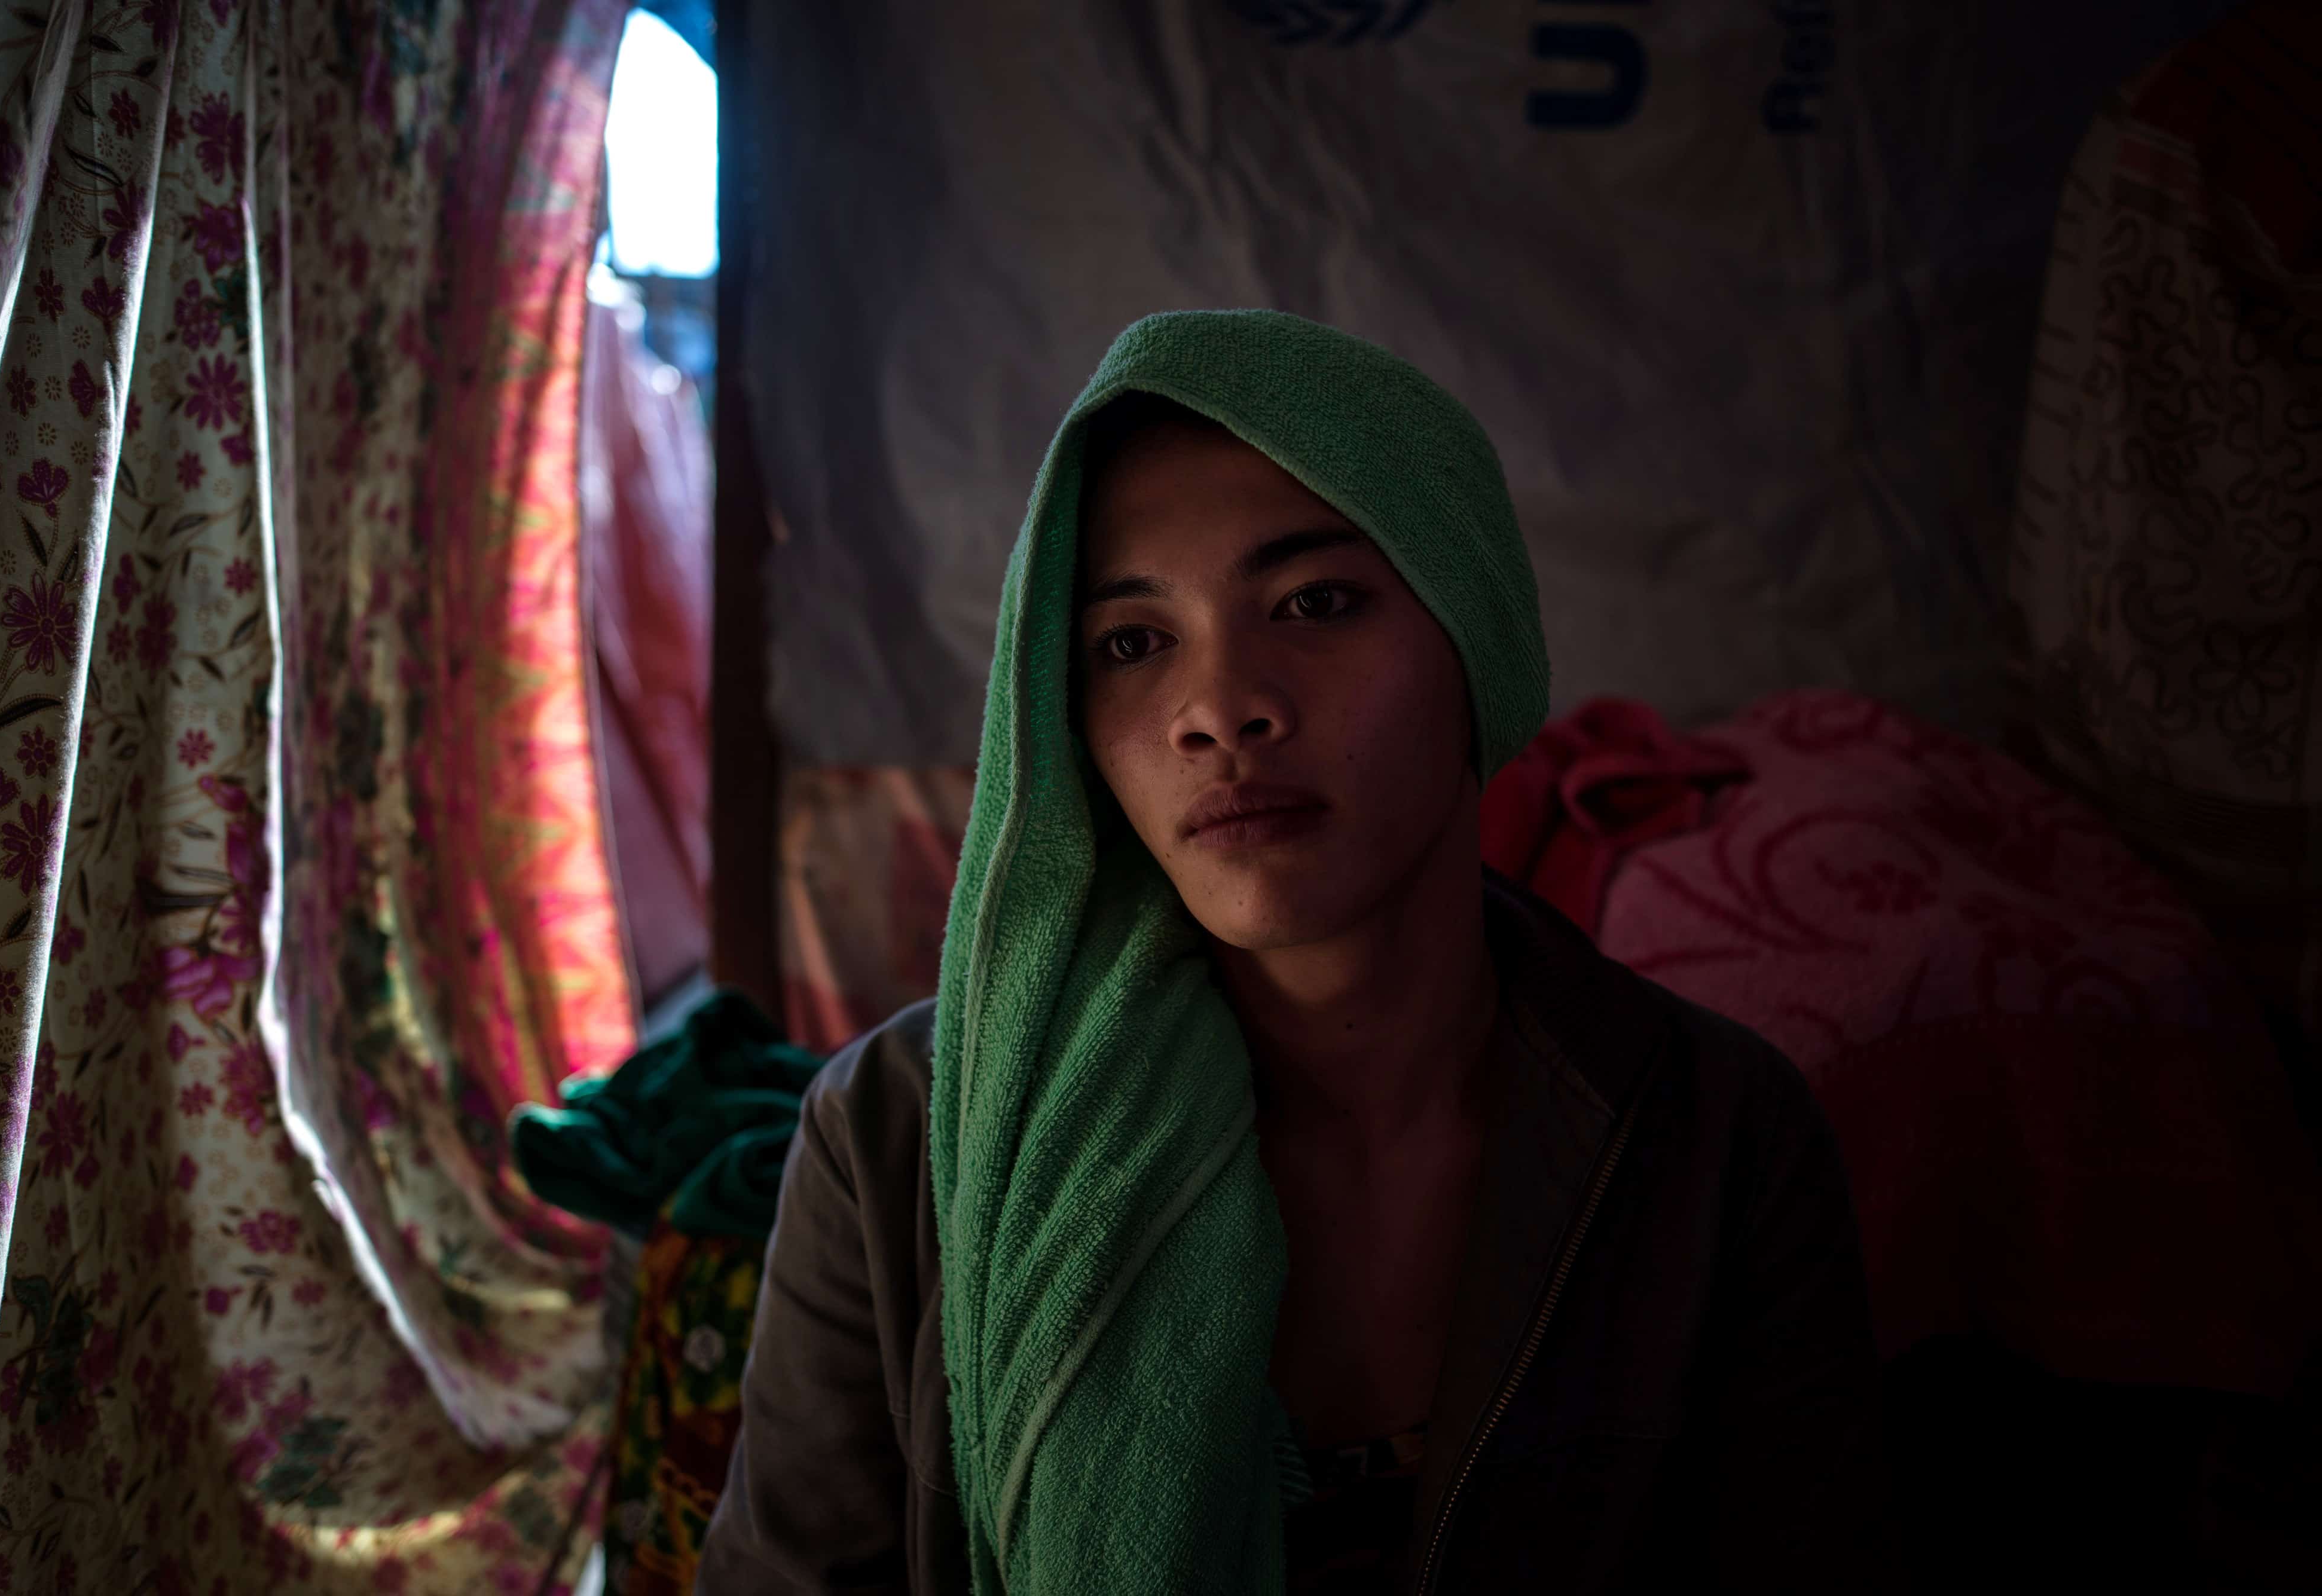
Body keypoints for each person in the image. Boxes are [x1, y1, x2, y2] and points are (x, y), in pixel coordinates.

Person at [698, 311, 1894, 1594]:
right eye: (1132, 642)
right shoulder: (896, 1139)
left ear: (1475, 638)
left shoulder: (1714, 1137)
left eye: (1314, 603)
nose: (1220, 710)